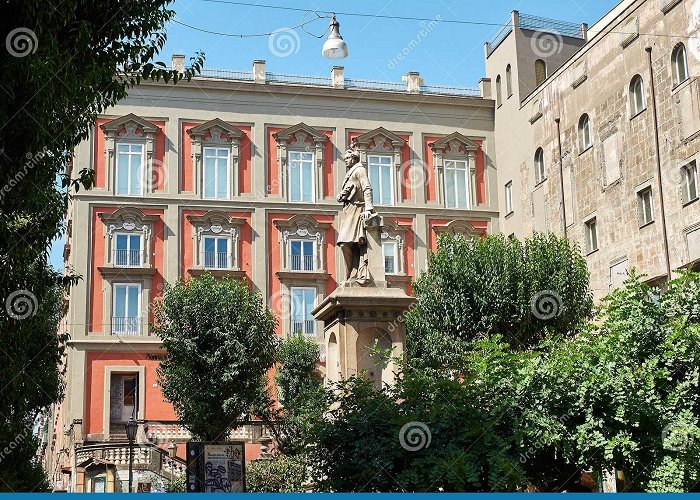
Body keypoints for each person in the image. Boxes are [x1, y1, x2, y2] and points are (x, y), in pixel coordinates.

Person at [336, 148, 377, 285]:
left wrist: (369, 208)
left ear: (353, 158)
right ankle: (351, 275)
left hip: (357, 210)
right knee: (347, 244)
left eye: (347, 158)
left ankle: (353, 274)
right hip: (349, 210)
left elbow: (367, 188)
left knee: (345, 243)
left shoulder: (359, 170)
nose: (345, 161)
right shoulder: (350, 172)